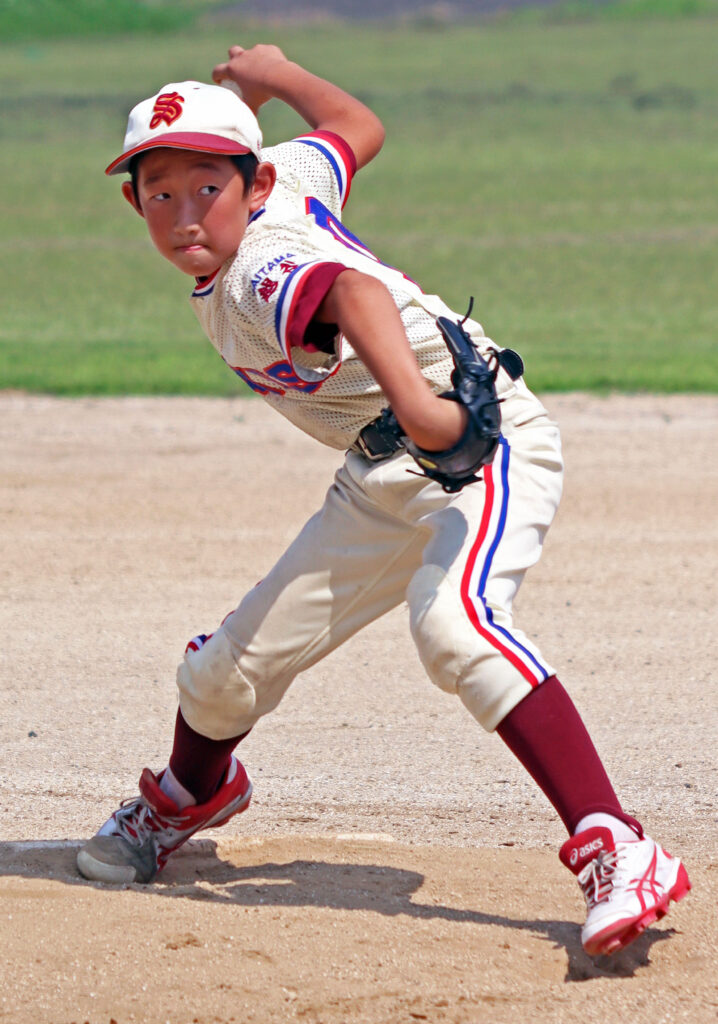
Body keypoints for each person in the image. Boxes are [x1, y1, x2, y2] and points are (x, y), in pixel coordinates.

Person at [76, 44, 690, 957]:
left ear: (249, 185)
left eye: (205, 186)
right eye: (158, 192)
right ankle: (184, 797)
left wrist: (414, 403)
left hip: (480, 444)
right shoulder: (286, 182)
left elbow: (350, 289)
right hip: (383, 475)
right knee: (222, 674)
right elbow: (358, 129)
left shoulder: (256, 274)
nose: (182, 212)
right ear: (134, 203)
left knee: (456, 627)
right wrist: (277, 70)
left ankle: (617, 843)